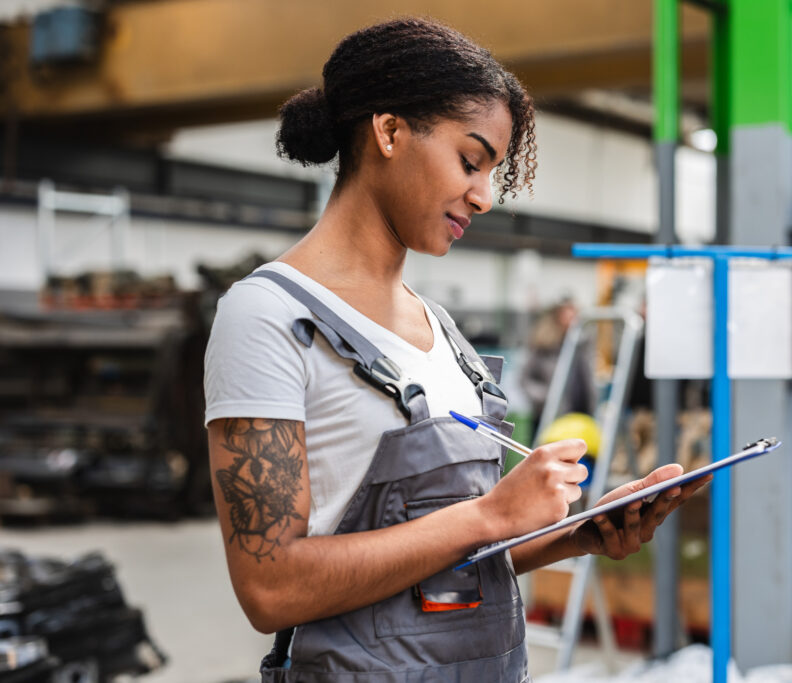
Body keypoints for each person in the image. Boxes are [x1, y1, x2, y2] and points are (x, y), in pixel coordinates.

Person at [203, 18, 709, 682]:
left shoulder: (440, 331)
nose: (485, 196)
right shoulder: (267, 315)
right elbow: (271, 588)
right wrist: (491, 511)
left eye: (492, 171)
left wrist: (574, 533)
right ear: (388, 132)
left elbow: (444, 561)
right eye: (470, 161)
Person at [520, 297, 595, 442]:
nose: (572, 318)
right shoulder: (543, 345)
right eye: (567, 314)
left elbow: (587, 379)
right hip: (549, 416)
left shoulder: (582, 344)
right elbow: (524, 380)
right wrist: (546, 398)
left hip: (580, 415)